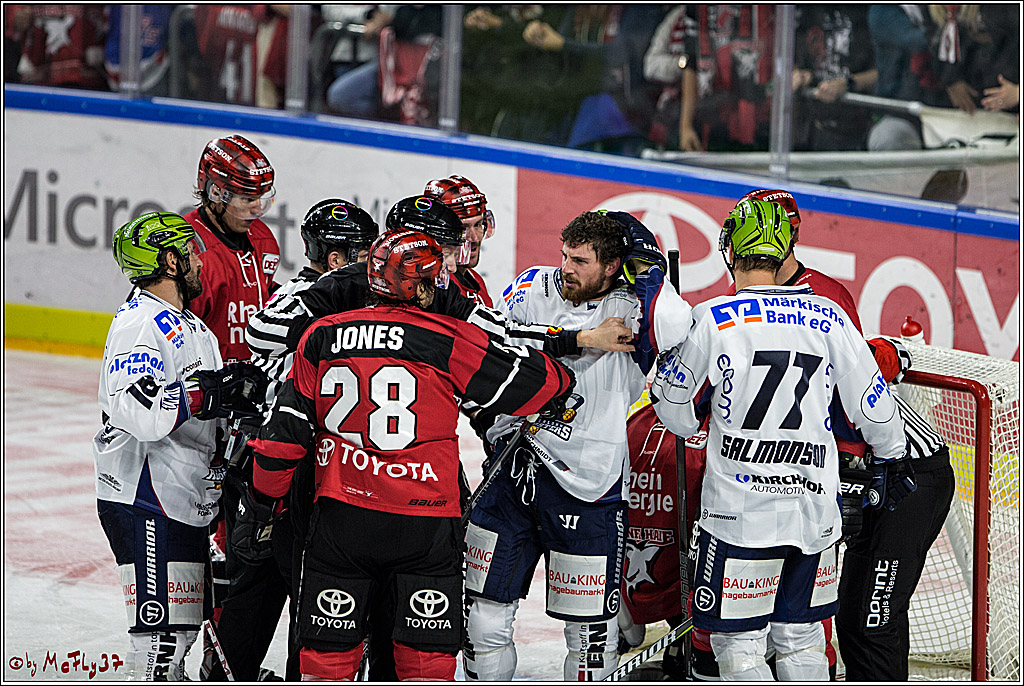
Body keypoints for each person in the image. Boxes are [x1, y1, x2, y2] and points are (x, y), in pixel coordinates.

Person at [248, 228, 576, 680]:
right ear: (417, 286)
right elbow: (536, 384)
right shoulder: (447, 338)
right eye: (435, 279)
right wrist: (562, 382)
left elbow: (283, 437)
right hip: (425, 521)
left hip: (340, 518)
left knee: (327, 657)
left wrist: (265, 501)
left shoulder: (321, 336)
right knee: (426, 659)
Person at [649, 198, 912, 681]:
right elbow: (873, 406)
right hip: (813, 513)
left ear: (730, 249)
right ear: (785, 248)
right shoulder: (829, 314)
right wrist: (893, 455)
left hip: (739, 516)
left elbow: (672, 405)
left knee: (738, 647)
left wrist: (686, 415)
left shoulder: (712, 317)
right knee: (803, 641)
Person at [463, 209, 694, 680]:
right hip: (514, 473)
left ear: (613, 266)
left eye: (581, 260)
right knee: (482, 620)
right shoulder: (530, 288)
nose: (566, 267)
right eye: (565, 255)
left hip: (591, 486)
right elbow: (485, 347)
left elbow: (676, 328)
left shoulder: (636, 308)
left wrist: (653, 274)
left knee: (590, 640)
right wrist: (492, 426)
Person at [95, 211, 266, 680]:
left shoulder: (194, 327)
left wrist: (240, 401)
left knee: (181, 635)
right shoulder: (139, 324)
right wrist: (207, 392)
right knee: (159, 640)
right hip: (144, 497)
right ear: (169, 261)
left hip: (182, 496)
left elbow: (205, 407)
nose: (199, 260)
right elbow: (139, 410)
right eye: (190, 252)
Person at [215, 199, 379, 682]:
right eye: (365, 254)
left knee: (260, 584)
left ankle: (226, 671)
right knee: (306, 588)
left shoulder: (302, 296)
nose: (375, 265)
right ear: (336, 259)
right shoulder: (320, 298)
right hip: (296, 469)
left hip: (265, 464)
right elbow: (263, 339)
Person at [183, 133, 280, 680]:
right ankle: (210, 666)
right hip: (206, 423)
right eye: (246, 197)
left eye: (261, 197)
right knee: (215, 550)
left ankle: (222, 663)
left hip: (256, 414)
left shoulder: (262, 237)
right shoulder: (190, 248)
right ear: (214, 191)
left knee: (242, 549)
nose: (256, 209)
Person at [835, 345, 955, 681]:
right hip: (874, 483)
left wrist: (876, 354)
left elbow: (895, 355)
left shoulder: (827, 341)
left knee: (875, 615)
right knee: (852, 611)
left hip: (911, 482)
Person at [791, 6, 877, 152]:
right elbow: (788, 56)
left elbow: (883, 71)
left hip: (858, 127)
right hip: (812, 128)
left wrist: (848, 83)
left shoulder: (869, 11)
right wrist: (798, 74)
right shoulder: (803, 11)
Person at [423, 174, 495, 306]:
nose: (475, 238)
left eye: (478, 224)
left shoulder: (476, 280)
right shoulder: (436, 288)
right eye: (463, 228)